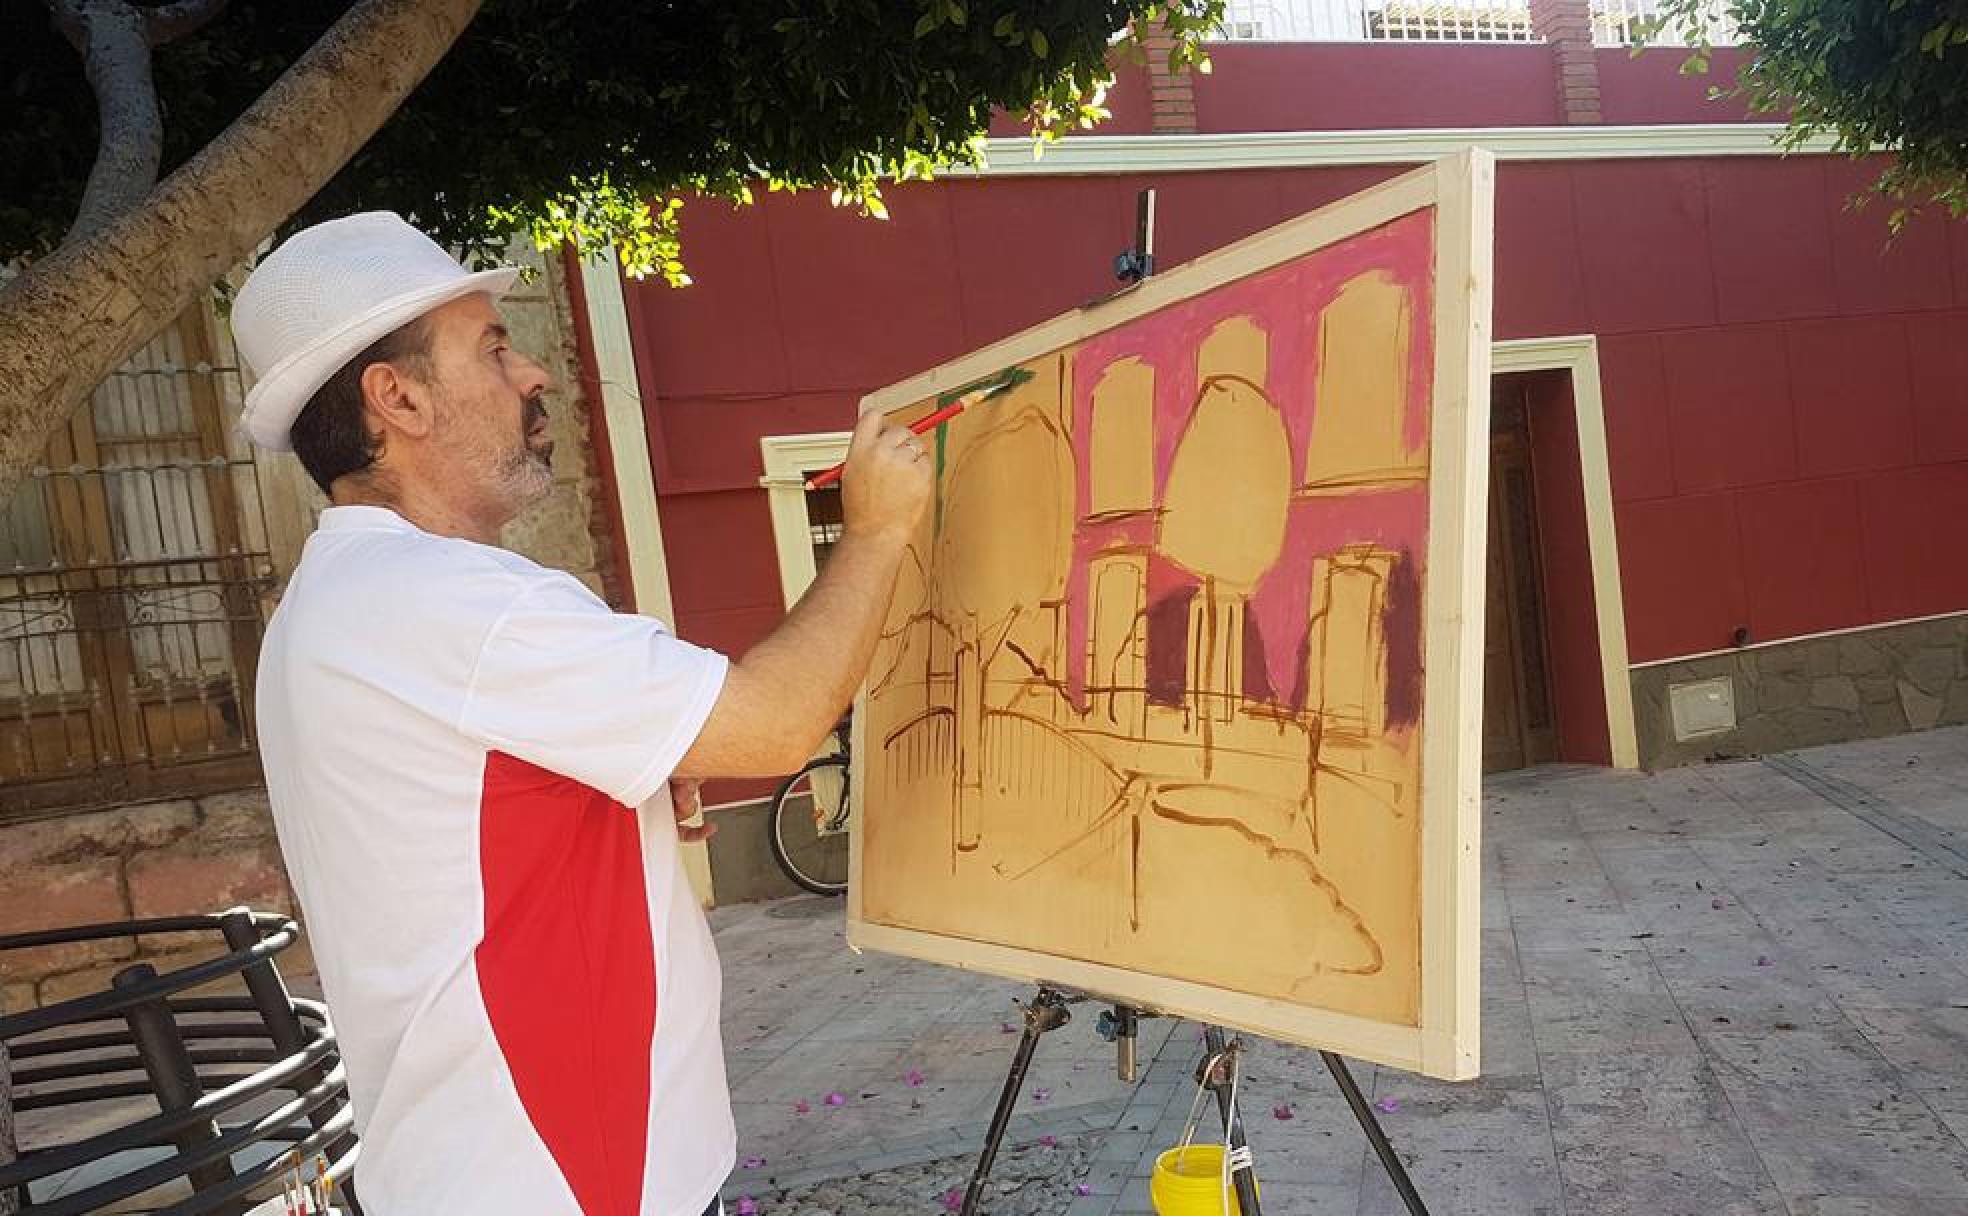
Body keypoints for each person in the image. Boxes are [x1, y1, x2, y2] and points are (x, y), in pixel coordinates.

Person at [232, 212, 932, 1216]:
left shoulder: (336, 600)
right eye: (494, 347)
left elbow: (465, 831)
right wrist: (869, 534)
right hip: (561, 1179)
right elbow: (774, 724)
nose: (535, 375)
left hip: (482, 1166)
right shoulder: (456, 603)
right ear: (399, 398)